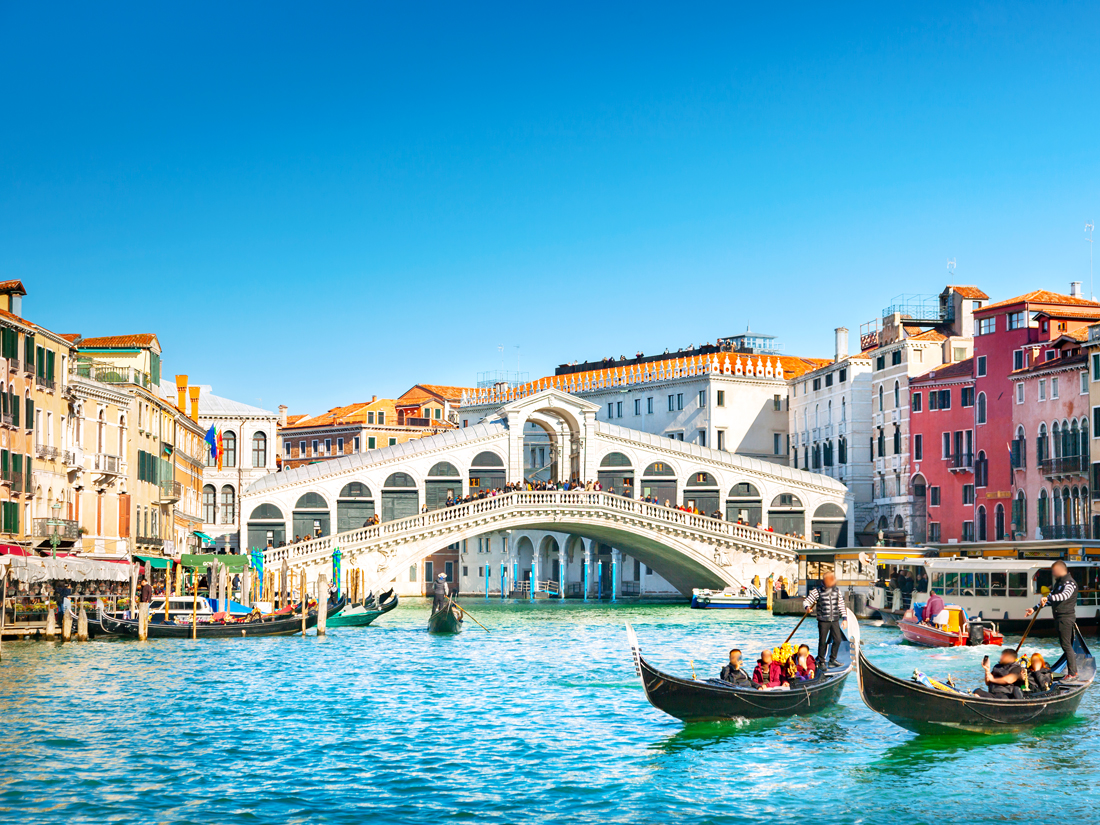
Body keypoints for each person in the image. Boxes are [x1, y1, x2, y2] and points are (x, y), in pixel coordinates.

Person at [1024, 560, 1078, 679]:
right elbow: (1048, 599)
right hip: (1059, 618)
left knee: (1066, 645)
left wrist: (1050, 597)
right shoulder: (1058, 584)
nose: (1053, 574)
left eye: (1054, 572)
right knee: (1065, 645)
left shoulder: (1070, 583)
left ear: (1060, 570)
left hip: (1066, 618)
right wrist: (1034, 609)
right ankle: (1072, 672)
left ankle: (1073, 674)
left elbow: (1065, 596)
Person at [804, 571, 846, 675]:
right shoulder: (817, 591)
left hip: (834, 619)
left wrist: (845, 618)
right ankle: (821, 661)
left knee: (838, 639)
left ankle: (832, 660)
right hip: (823, 620)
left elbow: (841, 604)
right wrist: (807, 608)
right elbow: (806, 601)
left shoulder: (837, 591)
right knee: (822, 641)